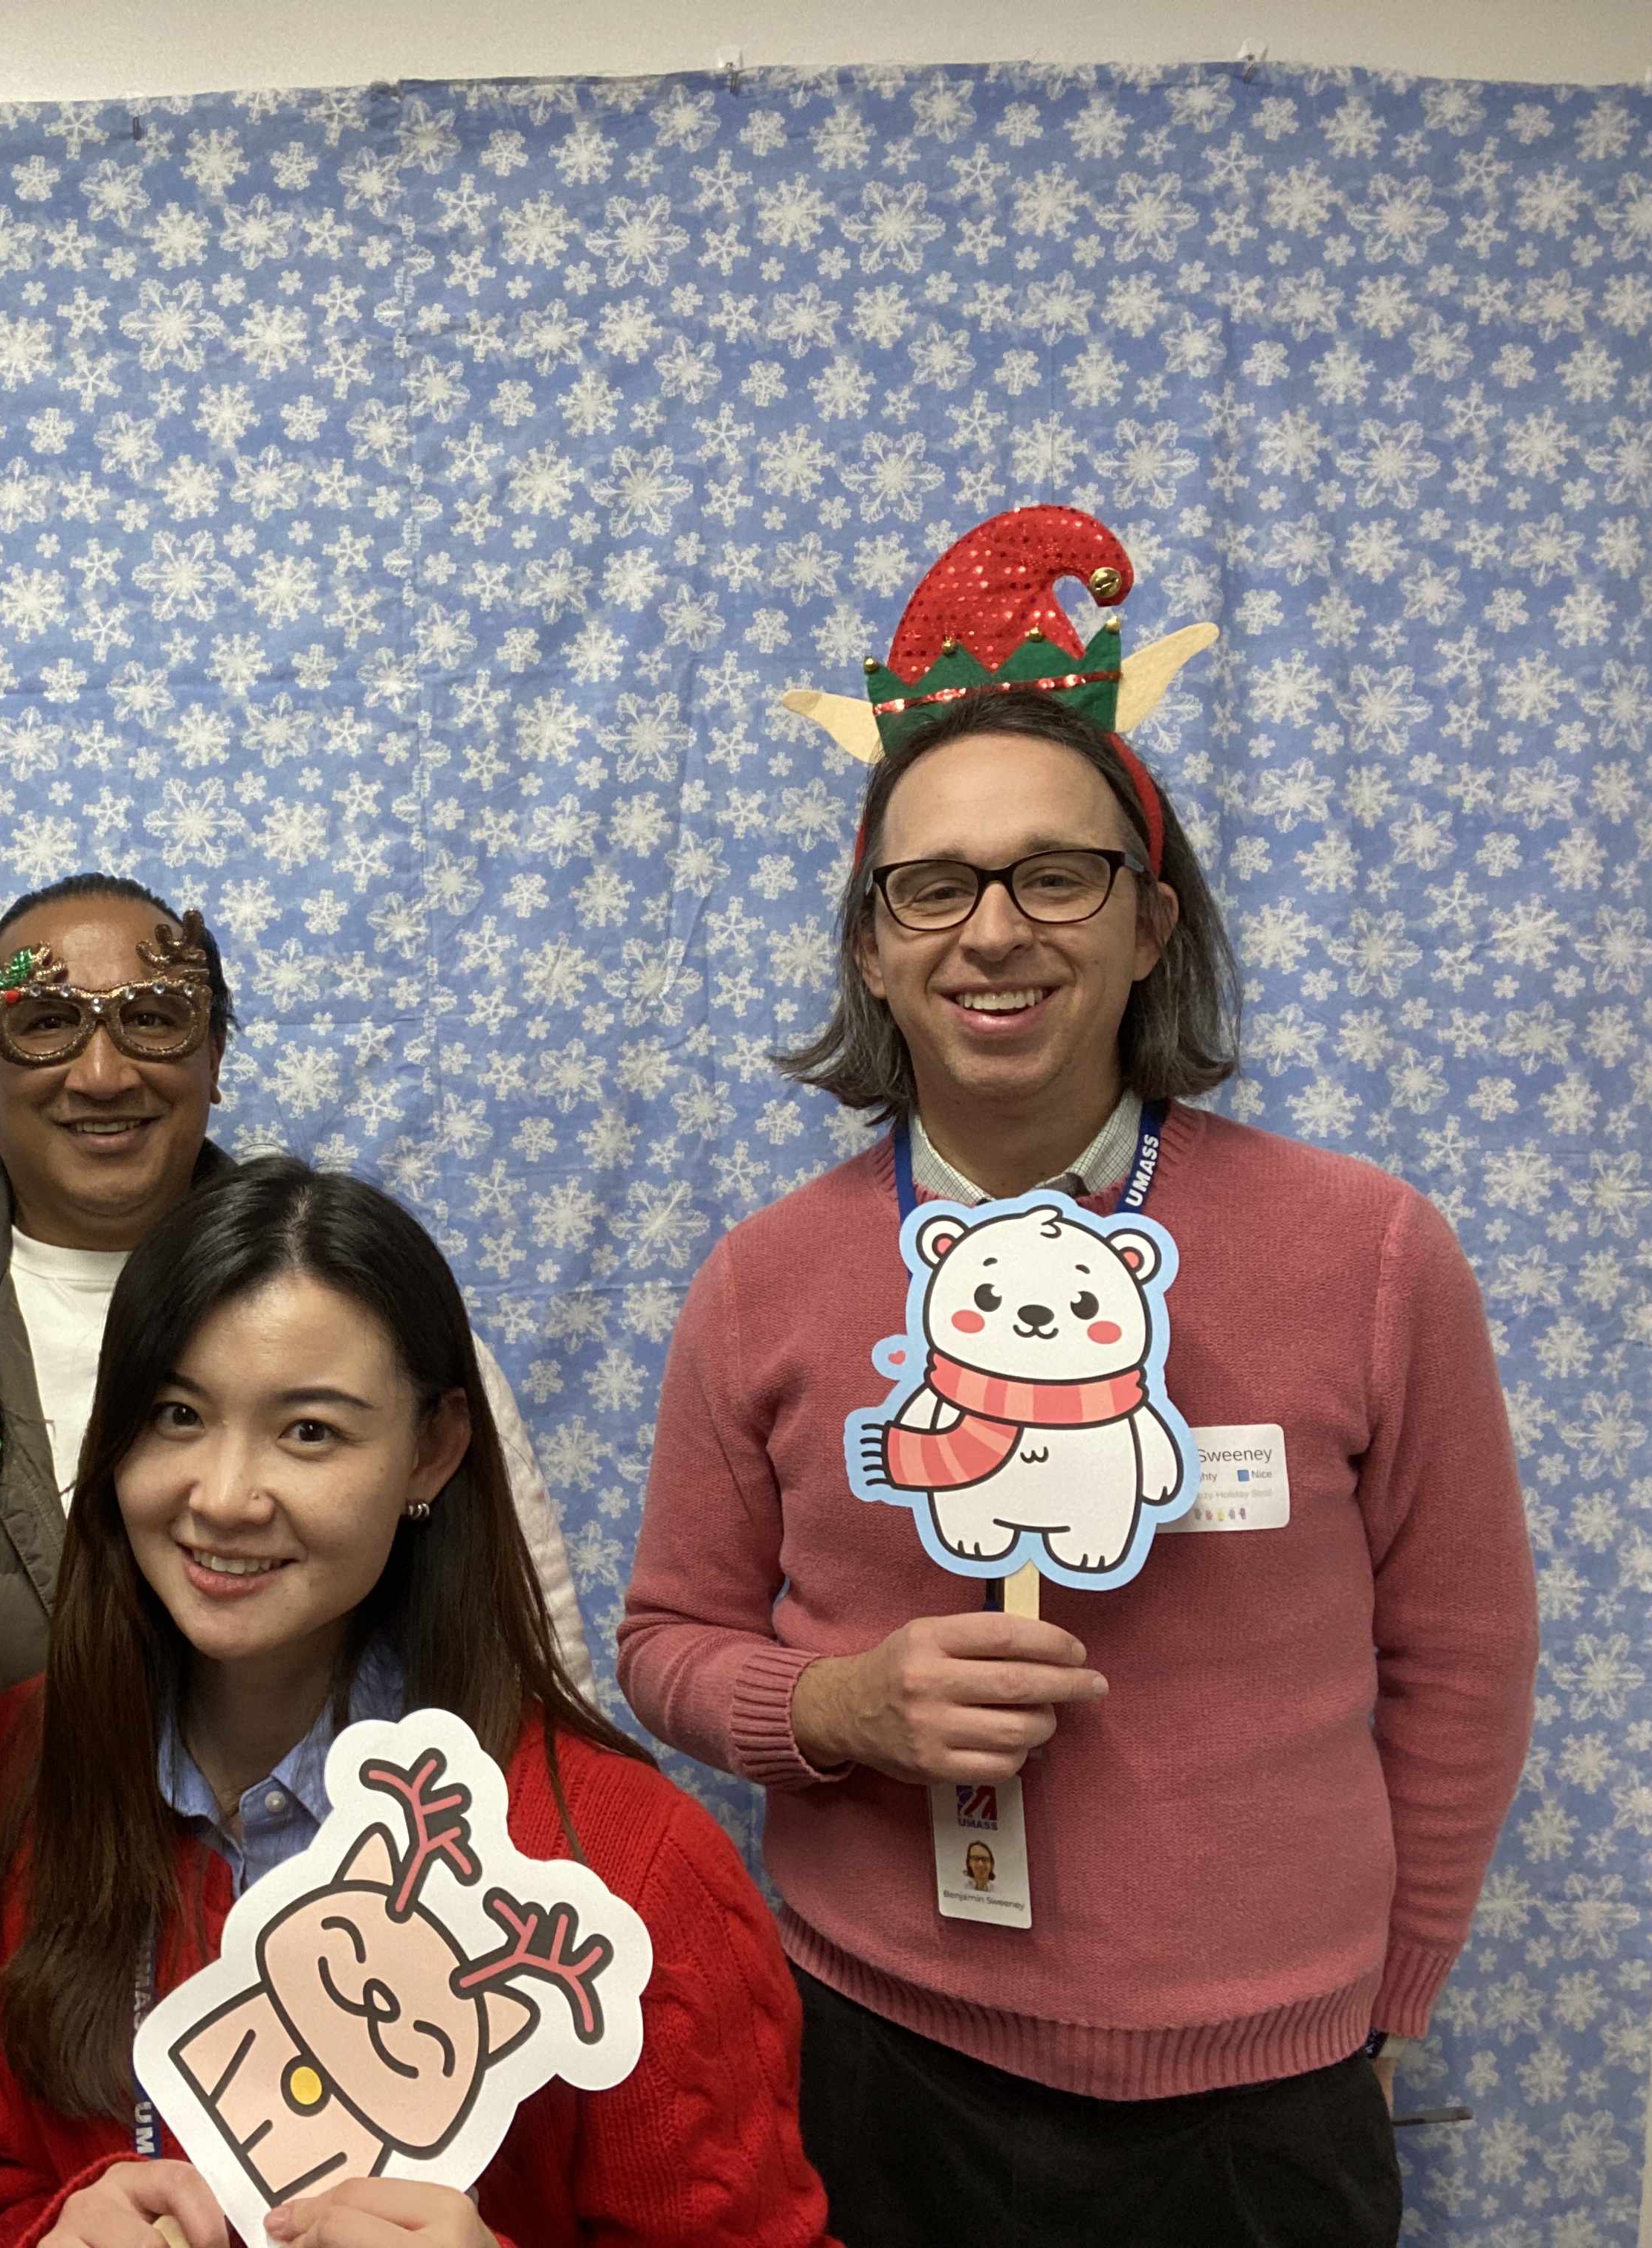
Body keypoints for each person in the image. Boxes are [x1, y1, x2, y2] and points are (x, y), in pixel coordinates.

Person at [618, 511, 1538, 2248]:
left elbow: (1465, 1653)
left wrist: (1389, 1987)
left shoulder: (1372, 1251)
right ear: (873, 945)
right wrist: (835, 1710)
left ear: (1146, 923)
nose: (996, 933)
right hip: (880, 2059)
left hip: (1265, 2100)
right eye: (933, 886)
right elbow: (665, 1641)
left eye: (1059, 875)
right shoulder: (764, 1280)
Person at [0, 1159, 834, 2248]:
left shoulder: (626, 1868)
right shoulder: (28, 1764)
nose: (223, 1497)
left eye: (310, 1431)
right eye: (176, 1414)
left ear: (434, 1449)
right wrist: (46, 2234)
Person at [0, 873, 593, 1760]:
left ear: (212, 1059)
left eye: (155, 1019)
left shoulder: (369, 1310)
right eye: (47, 1023)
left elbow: (528, 1664)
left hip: (333, 1882)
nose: (102, 1074)